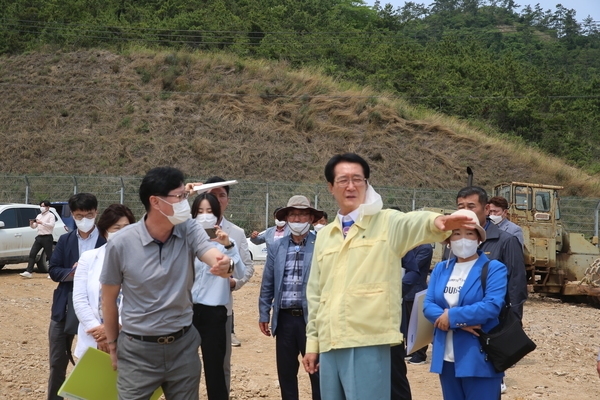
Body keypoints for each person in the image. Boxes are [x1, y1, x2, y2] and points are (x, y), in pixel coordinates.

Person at [302, 153, 473, 400]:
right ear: (331, 187)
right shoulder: (326, 236)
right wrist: (313, 344)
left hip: (368, 341)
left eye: (357, 179)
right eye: (343, 180)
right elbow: (316, 294)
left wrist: (438, 221)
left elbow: (412, 223)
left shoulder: (386, 222)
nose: (351, 186)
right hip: (330, 342)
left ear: (367, 183)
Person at [100, 167, 233, 400]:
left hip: (183, 348)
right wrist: (113, 346)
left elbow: (212, 254)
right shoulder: (121, 244)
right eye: (180, 197)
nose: (185, 202)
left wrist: (226, 265)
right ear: (156, 202)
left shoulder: (188, 229)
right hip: (137, 351)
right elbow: (109, 300)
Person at [423, 209, 507, 400]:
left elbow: (491, 305)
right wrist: (454, 320)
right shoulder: (441, 268)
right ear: (448, 240)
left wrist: (451, 317)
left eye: (469, 233)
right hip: (446, 358)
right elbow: (428, 305)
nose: (462, 239)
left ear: (479, 238)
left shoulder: (494, 268)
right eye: (456, 233)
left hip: (479, 357)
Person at [456, 186, 526, 395]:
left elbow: (516, 284)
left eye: (471, 206)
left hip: (491, 324)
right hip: (459, 326)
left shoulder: (506, 241)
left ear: (486, 209)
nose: (466, 211)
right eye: (461, 207)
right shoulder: (453, 242)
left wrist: (511, 326)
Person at [259, 195, 324, 400]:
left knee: (318, 373)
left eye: (303, 215)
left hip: (312, 320)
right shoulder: (277, 247)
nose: (298, 220)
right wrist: (263, 312)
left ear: (311, 219)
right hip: (285, 319)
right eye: (293, 215)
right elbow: (268, 281)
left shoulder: (321, 245)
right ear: (286, 218)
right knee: (286, 373)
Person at [47, 193, 106, 400]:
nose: (84, 219)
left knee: (98, 360)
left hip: (97, 311)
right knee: (57, 361)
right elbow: (53, 270)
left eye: (89, 214)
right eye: (79, 215)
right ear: (72, 214)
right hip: (64, 306)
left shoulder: (106, 239)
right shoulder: (65, 240)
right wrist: (75, 273)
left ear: (96, 212)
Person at [191, 193, 246, 400]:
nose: (205, 216)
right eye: (200, 211)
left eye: (210, 211)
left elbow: (239, 273)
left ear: (218, 214)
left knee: (215, 370)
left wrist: (228, 246)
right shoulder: (186, 240)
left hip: (214, 313)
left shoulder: (226, 241)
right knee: (186, 369)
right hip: (186, 311)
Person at [203, 177, 253, 375]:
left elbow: (247, 267)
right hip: (188, 308)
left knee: (220, 365)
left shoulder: (237, 233)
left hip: (221, 308)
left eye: (222, 195)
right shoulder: (188, 228)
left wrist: (234, 282)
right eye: (212, 195)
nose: (217, 200)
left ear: (227, 200)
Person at [72, 204, 135, 360]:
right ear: (105, 231)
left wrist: (113, 329)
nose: (121, 232)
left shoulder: (141, 260)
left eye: (126, 227)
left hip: (127, 337)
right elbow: (80, 299)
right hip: (93, 338)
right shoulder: (88, 258)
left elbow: (140, 301)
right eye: (116, 228)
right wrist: (99, 332)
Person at [404, 243, 434, 365]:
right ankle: (411, 349)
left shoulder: (425, 248)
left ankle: (420, 353)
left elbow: (413, 265)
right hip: (407, 292)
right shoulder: (410, 246)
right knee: (408, 324)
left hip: (417, 290)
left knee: (418, 324)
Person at [20, 200, 56, 278]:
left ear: (48, 207)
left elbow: (52, 225)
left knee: (49, 255)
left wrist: (42, 223)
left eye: (44, 206)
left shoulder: (51, 215)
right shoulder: (39, 215)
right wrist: (31, 223)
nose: (42, 208)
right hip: (39, 237)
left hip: (47, 237)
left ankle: (52, 272)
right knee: (32, 253)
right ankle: (29, 271)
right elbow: (34, 226)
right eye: (41, 206)